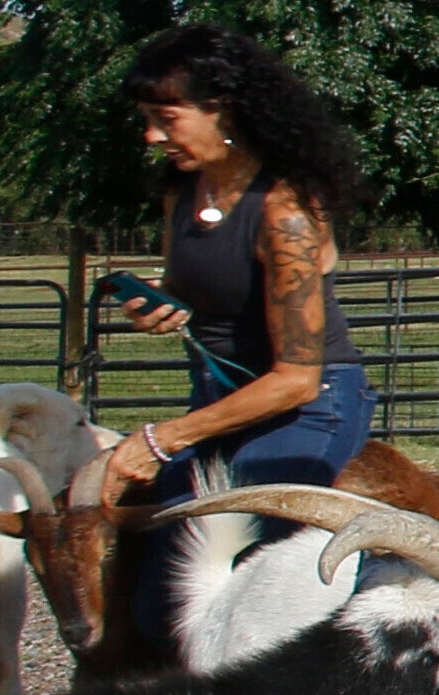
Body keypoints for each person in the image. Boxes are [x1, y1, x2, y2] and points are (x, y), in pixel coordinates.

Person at [94, 25, 377, 498]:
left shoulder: (285, 213)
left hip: (306, 410)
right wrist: (159, 305)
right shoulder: (180, 190)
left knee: (237, 546)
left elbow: (296, 382)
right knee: (162, 557)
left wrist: (164, 438)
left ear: (222, 110)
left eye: (167, 118)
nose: (150, 136)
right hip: (219, 402)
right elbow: (198, 290)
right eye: (145, 119)